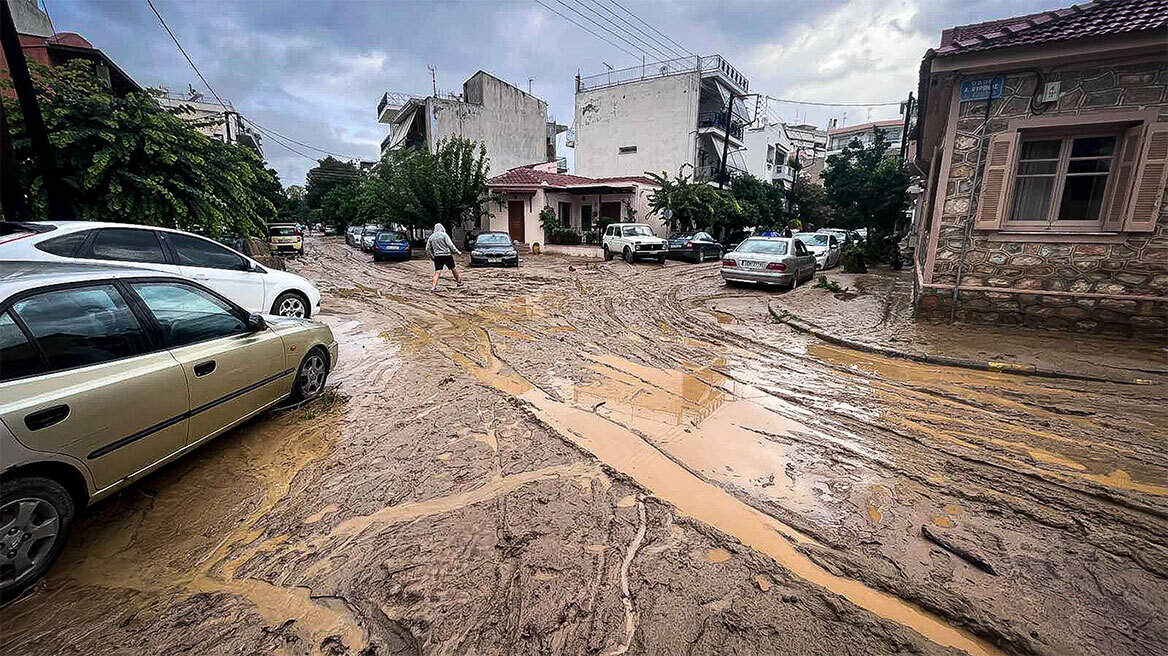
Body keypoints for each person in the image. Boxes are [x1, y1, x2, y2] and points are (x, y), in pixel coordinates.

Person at [426, 223, 462, 291]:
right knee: (453, 269)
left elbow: (427, 248)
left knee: (437, 272)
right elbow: (451, 245)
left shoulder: (431, 237)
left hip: (437, 256)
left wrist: (431, 256)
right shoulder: (444, 235)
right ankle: (459, 282)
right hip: (447, 255)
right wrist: (457, 252)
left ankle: (433, 287)